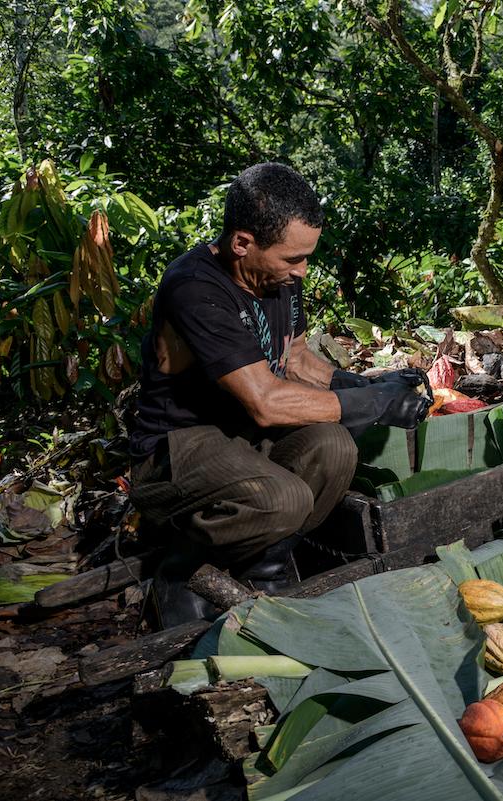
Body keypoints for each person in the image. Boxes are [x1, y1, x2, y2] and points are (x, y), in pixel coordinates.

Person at [128, 163, 431, 626]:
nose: (303, 272)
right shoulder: (196, 287)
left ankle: (263, 567)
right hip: (177, 449)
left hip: (241, 440)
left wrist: (368, 385)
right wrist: (371, 404)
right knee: (283, 498)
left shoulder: (276, 278)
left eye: (306, 257)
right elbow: (266, 402)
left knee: (335, 449)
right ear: (242, 244)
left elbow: (297, 359)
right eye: (293, 259)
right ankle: (179, 568)